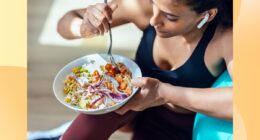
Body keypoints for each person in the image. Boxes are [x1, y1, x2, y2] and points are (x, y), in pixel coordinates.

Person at [57, 0, 233, 139]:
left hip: (180, 127)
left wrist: (163, 93)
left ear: (208, 15)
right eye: (154, 4)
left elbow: (243, 102)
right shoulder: (144, 8)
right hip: (130, 108)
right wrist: (84, 27)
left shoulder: (225, 39)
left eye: (170, 16)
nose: (154, 20)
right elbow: (64, 24)